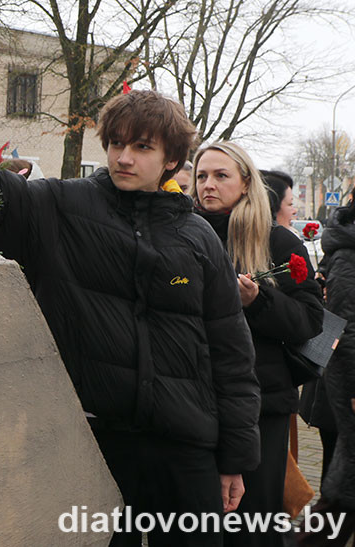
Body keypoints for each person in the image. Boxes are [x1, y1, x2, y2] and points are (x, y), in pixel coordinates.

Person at [0, 90, 261, 546]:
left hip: (185, 447)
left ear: (172, 159)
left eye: (142, 147)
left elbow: (231, 351)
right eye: (116, 143)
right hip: (93, 444)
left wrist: (235, 458)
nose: (124, 157)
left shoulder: (198, 238)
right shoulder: (61, 207)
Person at [190, 142, 324, 547]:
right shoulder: (181, 234)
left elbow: (310, 321)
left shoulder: (277, 242)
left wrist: (258, 300)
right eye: (201, 176)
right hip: (193, 402)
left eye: (221, 175)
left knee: (252, 525)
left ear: (246, 183)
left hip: (261, 407)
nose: (208, 185)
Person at [296, 188, 355, 546]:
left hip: (336, 374)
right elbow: (345, 326)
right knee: (340, 488)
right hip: (342, 379)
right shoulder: (347, 253)